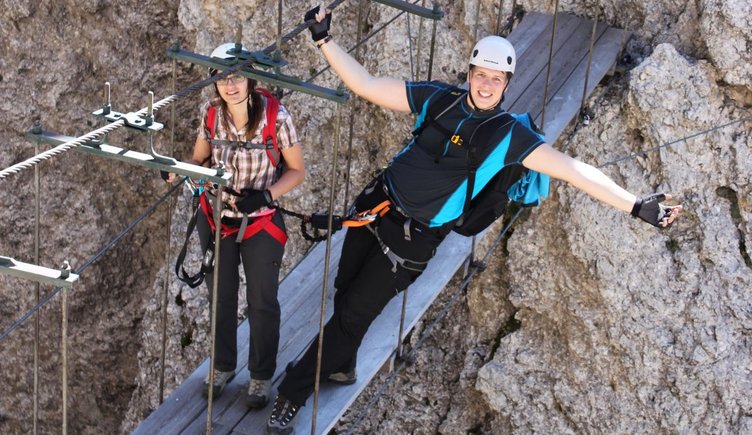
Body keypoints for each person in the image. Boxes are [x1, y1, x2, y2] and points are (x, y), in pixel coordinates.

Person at [266, 6, 681, 433]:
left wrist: (634, 205)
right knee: (345, 289)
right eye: (481, 74)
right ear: (469, 73)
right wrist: (323, 39)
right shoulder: (438, 99)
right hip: (376, 207)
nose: (486, 84)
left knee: (353, 314)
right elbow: (366, 85)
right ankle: (340, 363)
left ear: (506, 84)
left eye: (495, 79)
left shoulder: (509, 135)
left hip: (412, 241)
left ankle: (291, 393)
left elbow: (573, 170)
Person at [167, 42, 305, 408]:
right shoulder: (211, 115)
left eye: (238, 76)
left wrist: (267, 195)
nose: (230, 85)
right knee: (220, 297)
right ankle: (224, 366)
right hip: (216, 216)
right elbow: (199, 160)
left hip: (260, 220)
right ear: (214, 83)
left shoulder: (277, 117)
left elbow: (296, 170)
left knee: (262, 301)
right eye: (222, 78)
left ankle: (260, 376)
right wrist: (176, 170)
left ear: (251, 80)